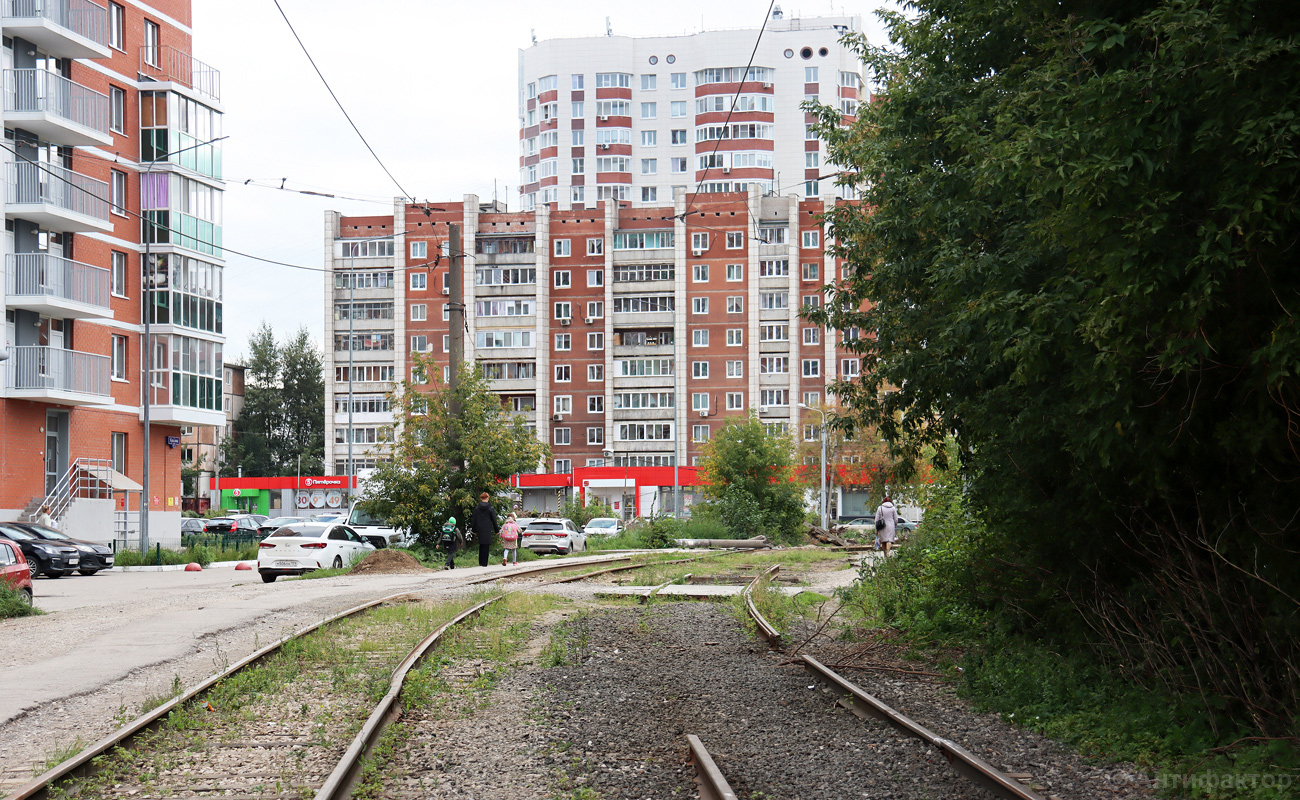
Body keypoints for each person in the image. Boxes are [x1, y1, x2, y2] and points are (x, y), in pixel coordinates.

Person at [470, 492, 499, 568]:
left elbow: (474, 520)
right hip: (487, 528)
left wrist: (473, 530)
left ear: (481, 499)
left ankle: (480, 562)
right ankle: (485, 563)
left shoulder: (477, 508)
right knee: (486, 545)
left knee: (481, 544)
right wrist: (497, 530)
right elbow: (494, 520)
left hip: (479, 528)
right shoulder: (490, 508)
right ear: (487, 498)